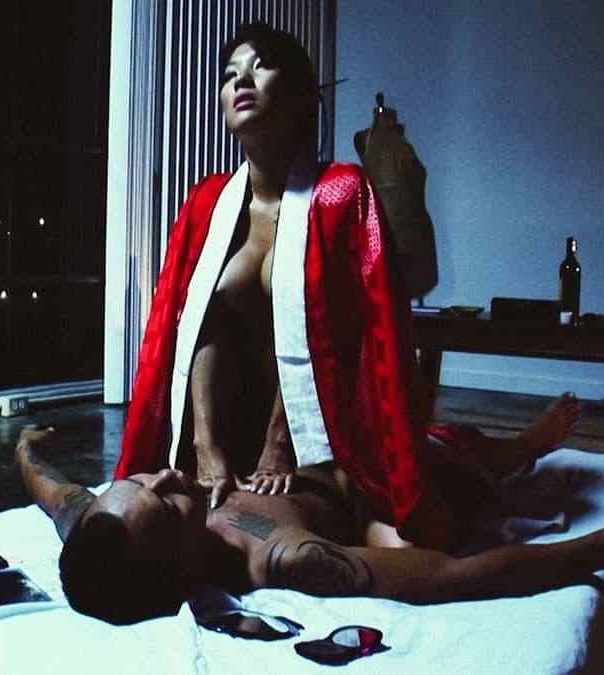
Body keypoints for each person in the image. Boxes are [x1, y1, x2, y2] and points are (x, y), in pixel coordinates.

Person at [116, 21, 517, 550]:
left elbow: (356, 334)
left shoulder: (341, 192)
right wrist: (204, 448)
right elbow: (193, 332)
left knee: (417, 527)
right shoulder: (205, 204)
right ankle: (506, 450)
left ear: (303, 96)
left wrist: (281, 442)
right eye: (231, 74)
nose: (242, 81)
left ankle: (524, 449)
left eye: (261, 67)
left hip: (318, 437)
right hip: (223, 438)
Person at [16, 426, 604, 626]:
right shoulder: (282, 555)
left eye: (140, 479)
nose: (165, 476)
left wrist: (22, 448)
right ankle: (527, 446)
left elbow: (54, 491)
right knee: (459, 477)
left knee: (445, 436)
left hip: (331, 443)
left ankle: (513, 446)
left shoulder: (106, 526)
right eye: (165, 501)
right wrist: (601, 544)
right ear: (179, 572)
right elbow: (452, 575)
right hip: (375, 484)